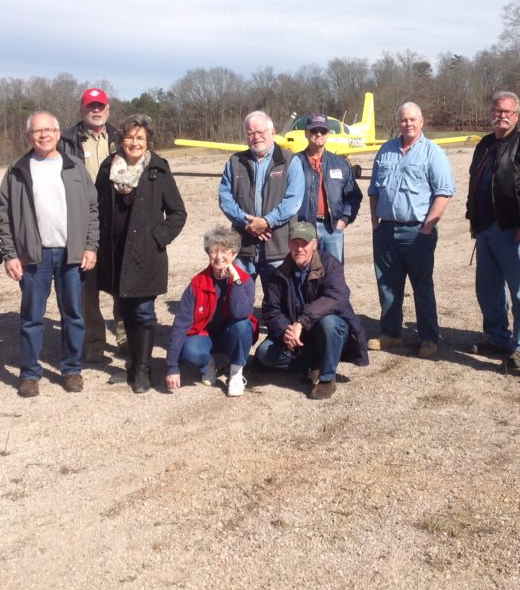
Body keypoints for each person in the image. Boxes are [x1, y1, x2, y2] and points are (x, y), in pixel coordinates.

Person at [0, 110, 99, 397]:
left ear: (58, 134)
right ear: (28, 136)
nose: (43, 135)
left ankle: (71, 369)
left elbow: (92, 209)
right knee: (31, 316)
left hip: (71, 254)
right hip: (33, 255)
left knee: (73, 314)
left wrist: (90, 246)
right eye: (37, 131)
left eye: (49, 130)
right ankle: (30, 373)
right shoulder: (18, 169)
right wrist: (10, 254)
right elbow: (4, 215)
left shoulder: (75, 167)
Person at [95, 114, 187, 394]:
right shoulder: (107, 168)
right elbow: (97, 208)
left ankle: (144, 370)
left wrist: (157, 238)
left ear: (147, 142)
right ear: (120, 140)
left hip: (146, 254)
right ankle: (132, 364)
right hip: (115, 253)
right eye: (129, 137)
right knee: (124, 311)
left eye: (140, 138)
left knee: (144, 312)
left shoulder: (157, 169)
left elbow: (177, 212)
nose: (134, 143)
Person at [367, 102, 455, 358]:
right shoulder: (385, 151)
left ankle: (428, 337)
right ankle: (391, 334)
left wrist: (427, 227)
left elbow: (444, 192)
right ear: (398, 122)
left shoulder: (433, 153)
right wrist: (375, 224)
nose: (408, 124)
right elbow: (373, 191)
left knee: (422, 285)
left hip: (417, 231)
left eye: (412, 119)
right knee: (387, 284)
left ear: (422, 121)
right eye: (403, 120)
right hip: (386, 230)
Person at [465, 91, 520, 368]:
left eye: (508, 112)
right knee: (488, 289)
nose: (502, 116)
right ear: (491, 114)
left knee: (519, 291)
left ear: (516, 115)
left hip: (514, 231)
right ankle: (497, 338)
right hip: (485, 229)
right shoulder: (484, 145)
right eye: (497, 111)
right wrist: (472, 217)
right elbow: (475, 182)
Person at [255, 221, 369, 399]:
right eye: (295, 243)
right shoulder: (279, 274)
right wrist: (286, 330)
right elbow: (271, 311)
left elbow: (336, 297)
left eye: (304, 243)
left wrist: (302, 322)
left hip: (326, 331)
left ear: (314, 244)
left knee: (330, 323)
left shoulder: (330, 265)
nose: (299, 248)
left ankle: (327, 378)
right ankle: (311, 364)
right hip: (299, 338)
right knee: (263, 354)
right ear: (288, 244)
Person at [56, 86, 123, 362]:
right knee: (88, 285)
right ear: (82, 110)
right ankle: (94, 340)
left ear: (108, 109)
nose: (95, 111)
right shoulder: (65, 141)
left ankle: (125, 335)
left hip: (116, 216)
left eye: (100, 106)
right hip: (82, 220)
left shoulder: (121, 137)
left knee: (121, 282)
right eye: (90, 106)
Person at [165, 226, 258, 397]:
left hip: (231, 332)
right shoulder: (197, 283)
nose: (219, 256)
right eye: (214, 251)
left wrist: (235, 281)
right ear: (208, 253)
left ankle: (236, 372)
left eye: (224, 251)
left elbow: (240, 313)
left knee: (243, 325)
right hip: (205, 335)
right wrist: (172, 366)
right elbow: (181, 323)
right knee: (190, 351)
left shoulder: (245, 280)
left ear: (234, 254)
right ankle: (209, 364)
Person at [218, 110, 304, 292]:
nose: (256, 137)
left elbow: (293, 200)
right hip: (243, 247)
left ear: (273, 133)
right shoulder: (234, 162)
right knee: (238, 304)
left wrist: (266, 222)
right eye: (250, 133)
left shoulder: (290, 161)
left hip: (278, 248)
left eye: (261, 132)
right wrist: (247, 222)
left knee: (279, 307)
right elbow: (225, 198)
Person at [295, 113, 363, 262]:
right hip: (303, 229)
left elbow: (354, 196)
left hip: (332, 228)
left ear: (328, 134)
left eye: (323, 130)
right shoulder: (294, 162)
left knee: (333, 276)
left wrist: (344, 219)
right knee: (304, 275)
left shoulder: (340, 163)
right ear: (306, 133)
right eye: (314, 130)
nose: (318, 134)